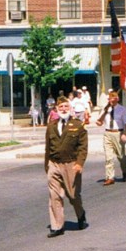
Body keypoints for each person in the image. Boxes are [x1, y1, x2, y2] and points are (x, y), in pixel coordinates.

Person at [44, 97, 88, 238]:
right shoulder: (51, 126)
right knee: (54, 196)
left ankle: (80, 214)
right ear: (56, 109)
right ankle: (57, 226)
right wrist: (47, 165)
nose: (63, 109)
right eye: (61, 106)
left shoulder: (78, 125)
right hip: (54, 163)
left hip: (71, 164)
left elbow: (83, 147)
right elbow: (47, 147)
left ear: (70, 109)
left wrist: (79, 163)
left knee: (73, 195)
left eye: (66, 106)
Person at [95, 91, 126, 186]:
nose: (111, 100)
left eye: (113, 97)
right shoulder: (106, 109)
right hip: (108, 133)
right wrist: (105, 111)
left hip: (118, 133)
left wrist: (124, 134)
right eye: (110, 98)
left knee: (121, 156)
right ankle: (110, 177)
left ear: (117, 99)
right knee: (108, 157)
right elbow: (99, 122)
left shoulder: (122, 109)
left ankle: (124, 171)